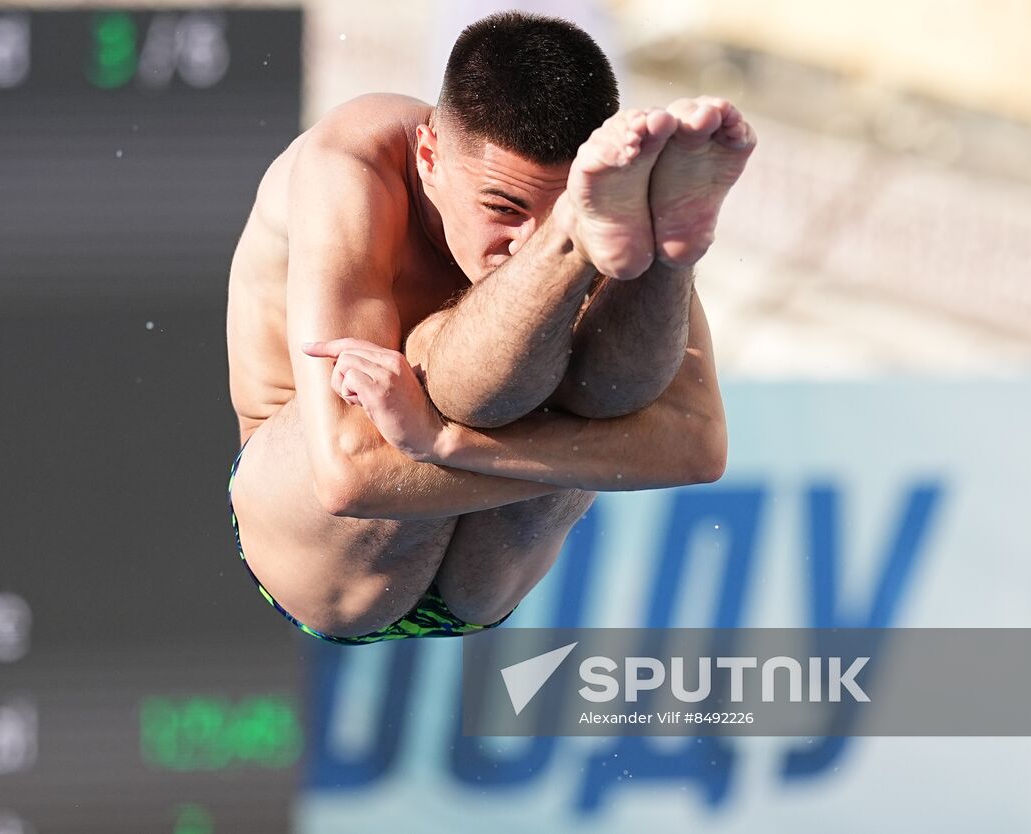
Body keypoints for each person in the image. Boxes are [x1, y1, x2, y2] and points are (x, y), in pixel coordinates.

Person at [225, 11, 754, 644]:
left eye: (557, 210)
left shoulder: (610, 187)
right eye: (502, 208)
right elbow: (348, 476)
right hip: (315, 551)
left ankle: (673, 260)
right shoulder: (353, 163)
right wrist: (600, 452)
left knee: (602, 370)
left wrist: (443, 445)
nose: (520, 241)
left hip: (486, 574)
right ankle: (580, 246)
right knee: (428, 356)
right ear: (428, 157)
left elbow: (699, 448)